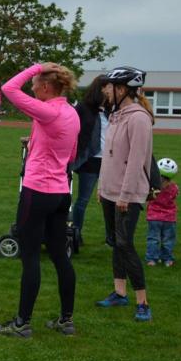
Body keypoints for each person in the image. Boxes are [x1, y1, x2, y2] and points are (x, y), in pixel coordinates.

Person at [0, 63, 79, 338]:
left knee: (30, 256)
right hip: (61, 192)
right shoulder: (71, 113)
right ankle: (66, 320)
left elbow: (9, 88)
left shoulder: (48, 111)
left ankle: (22, 323)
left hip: (37, 191)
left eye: (35, 84)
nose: (32, 88)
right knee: (59, 255)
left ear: (45, 87)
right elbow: (72, 155)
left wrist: (37, 67)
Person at [95, 66, 155, 322]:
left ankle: (143, 302)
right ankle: (119, 292)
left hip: (127, 195)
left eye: (109, 87)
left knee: (125, 244)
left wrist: (125, 195)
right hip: (110, 191)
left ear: (121, 90)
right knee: (115, 242)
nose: (106, 91)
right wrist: (102, 187)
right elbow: (108, 157)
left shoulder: (138, 118)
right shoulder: (116, 115)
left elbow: (136, 160)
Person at [69, 75, 107, 248]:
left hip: (110, 161)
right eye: (107, 88)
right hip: (89, 160)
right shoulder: (84, 108)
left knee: (110, 201)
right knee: (83, 200)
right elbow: (71, 127)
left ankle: (112, 238)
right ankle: (76, 233)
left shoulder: (113, 110)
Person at [145, 158, 179, 267]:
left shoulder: (152, 187)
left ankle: (151, 259)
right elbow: (175, 195)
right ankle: (167, 259)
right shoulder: (174, 188)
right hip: (169, 218)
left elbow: (147, 198)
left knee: (153, 238)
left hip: (153, 217)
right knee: (168, 240)